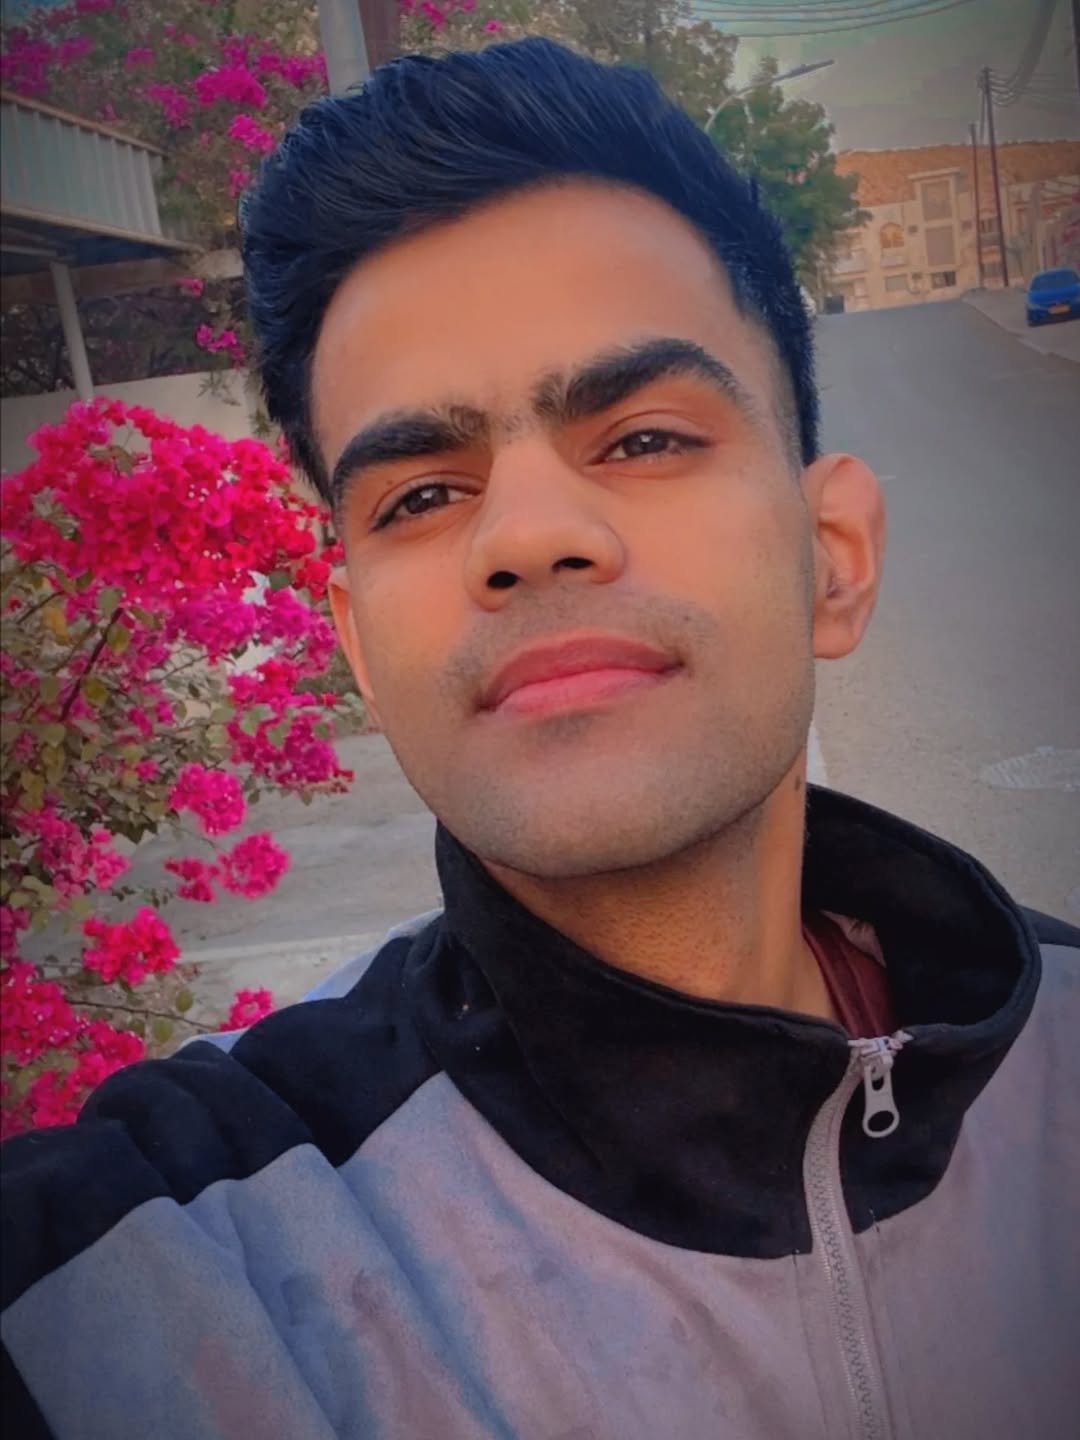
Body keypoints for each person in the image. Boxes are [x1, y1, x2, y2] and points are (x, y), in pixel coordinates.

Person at [3, 38, 1077, 1440]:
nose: (525, 535)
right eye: (420, 495)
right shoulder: (152, 1269)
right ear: (360, 650)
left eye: (642, 439)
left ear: (833, 557)